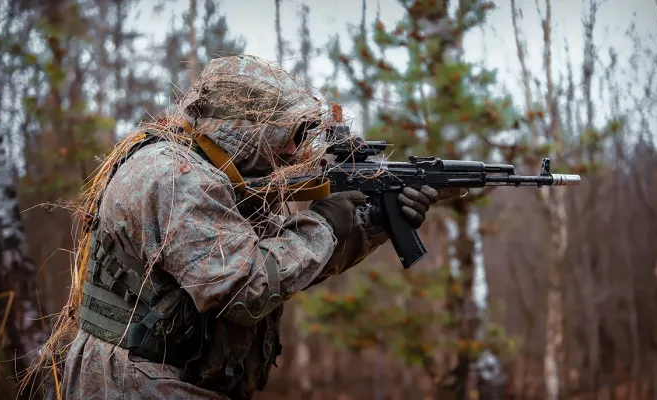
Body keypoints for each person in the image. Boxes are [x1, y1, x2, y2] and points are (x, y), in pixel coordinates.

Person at [62, 55, 438, 400]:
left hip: (168, 378)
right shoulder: (178, 179)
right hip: (136, 383)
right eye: (288, 135)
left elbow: (284, 269)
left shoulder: (224, 177)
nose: (293, 152)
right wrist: (327, 222)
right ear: (243, 128)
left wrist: (367, 224)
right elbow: (249, 287)